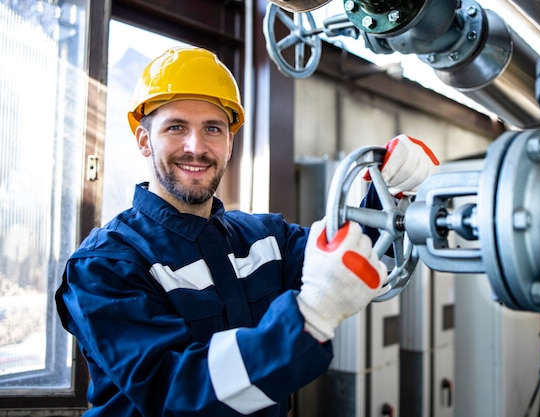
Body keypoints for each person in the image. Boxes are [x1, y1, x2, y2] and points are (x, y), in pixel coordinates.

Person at [55, 46, 439, 416]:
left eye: (213, 128)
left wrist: (393, 189)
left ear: (229, 143)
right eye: (176, 127)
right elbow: (177, 391)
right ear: (143, 140)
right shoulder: (105, 265)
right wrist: (309, 316)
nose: (197, 146)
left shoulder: (266, 239)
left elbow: (358, 252)